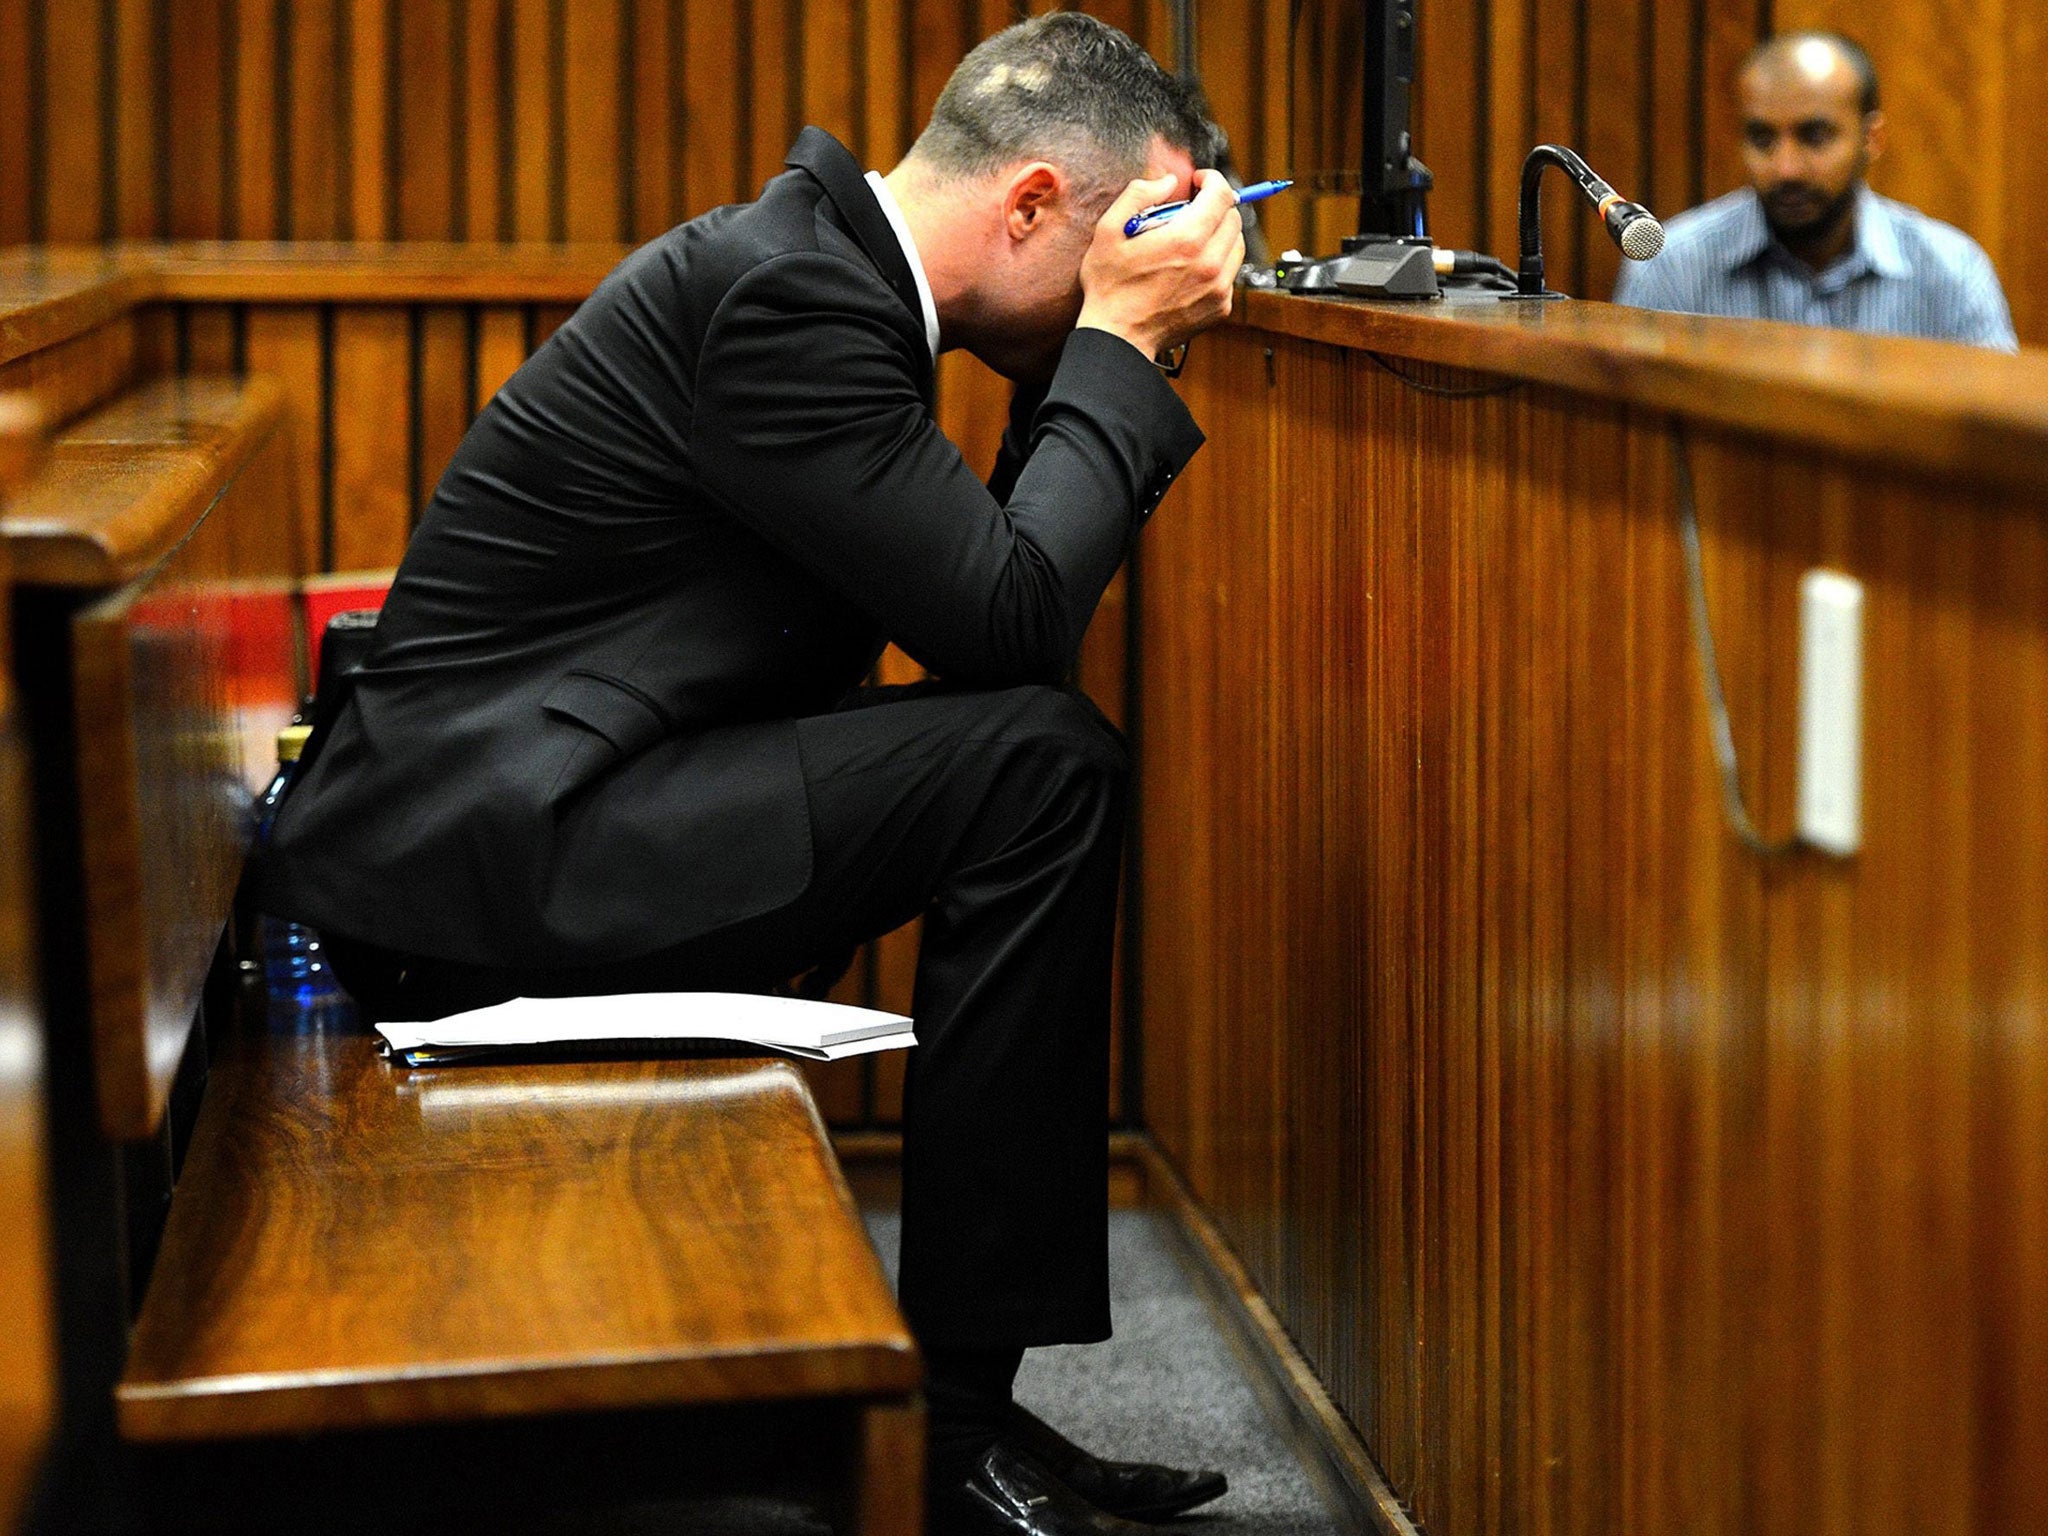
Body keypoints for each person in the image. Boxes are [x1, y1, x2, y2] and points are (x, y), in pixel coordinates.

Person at [255, 14, 1244, 1535]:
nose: (1166, 273)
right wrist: (1112, 344)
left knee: (1030, 761)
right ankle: (949, 1426)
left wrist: (1099, 343)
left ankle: (958, 1405)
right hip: (481, 869)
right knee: (1043, 772)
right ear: (1036, 204)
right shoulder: (791, 300)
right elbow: (1016, 626)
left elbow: (990, 627)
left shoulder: (825, 285)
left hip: (545, 820)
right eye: (1139, 233)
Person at [1612, 31, 2017, 350]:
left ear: (1871, 138)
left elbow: (1995, 445)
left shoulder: (1951, 271)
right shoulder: (1672, 267)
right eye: (1762, 138)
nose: (1785, 168)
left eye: (1814, 136)